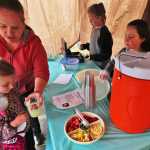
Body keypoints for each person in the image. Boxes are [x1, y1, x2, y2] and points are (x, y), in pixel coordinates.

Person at [0, 0, 49, 149]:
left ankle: (35, 136)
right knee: (6, 130)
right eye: (2, 26)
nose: (9, 33)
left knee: (29, 122)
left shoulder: (33, 43)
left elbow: (41, 71)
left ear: (24, 23)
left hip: (27, 93)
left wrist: (37, 91)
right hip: (2, 95)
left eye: (15, 27)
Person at [0, 59, 29, 150]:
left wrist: (26, 102)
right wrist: (14, 124)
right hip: (10, 145)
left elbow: (18, 100)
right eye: (6, 85)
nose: (12, 86)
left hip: (22, 136)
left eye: (13, 81)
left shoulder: (10, 90)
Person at [79, 2, 113, 69]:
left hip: (101, 67)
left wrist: (90, 57)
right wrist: (85, 46)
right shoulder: (95, 29)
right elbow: (95, 45)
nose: (90, 21)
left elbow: (105, 55)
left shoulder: (104, 33)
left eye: (91, 19)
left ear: (99, 18)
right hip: (94, 63)